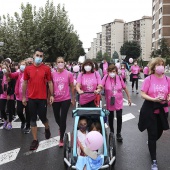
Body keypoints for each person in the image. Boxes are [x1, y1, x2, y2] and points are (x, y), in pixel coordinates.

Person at [138, 57, 170, 170]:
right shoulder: (149, 79)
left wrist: (168, 98)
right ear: (153, 67)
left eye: (162, 64)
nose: (161, 66)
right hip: (150, 111)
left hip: (163, 110)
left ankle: (151, 142)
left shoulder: (167, 79)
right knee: (152, 135)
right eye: (158, 65)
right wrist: (153, 99)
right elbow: (143, 94)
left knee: (159, 133)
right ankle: (154, 161)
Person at [22, 48, 54, 150]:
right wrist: (23, 97)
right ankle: (35, 140)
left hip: (42, 99)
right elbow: (25, 82)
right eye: (37, 55)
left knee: (43, 117)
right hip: (31, 98)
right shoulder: (28, 69)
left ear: (43, 57)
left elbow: (49, 82)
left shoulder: (46, 69)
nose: (39, 57)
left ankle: (47, 127)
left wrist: (52, 95)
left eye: (41, 56)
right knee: (32, 119)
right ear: (34, 56)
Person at [102, 64, 131, 141]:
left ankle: (118, 134)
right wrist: (98, 89)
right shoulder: (105, 78)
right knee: (110, 117)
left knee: (119, 117)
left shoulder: (119, 78)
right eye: (110, 71)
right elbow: (101, 86)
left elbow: (125, 88)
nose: (112, 73)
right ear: (108, 72)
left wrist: (129, 98)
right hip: (109, 101)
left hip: (118, 100)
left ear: (116, 72)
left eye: (114, 71)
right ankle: (112, 132)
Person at [51, 57, 75, 147]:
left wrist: (73, 98)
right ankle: (61, 128)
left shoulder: (69, 74)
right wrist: (50, 96)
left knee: (63, 118)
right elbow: (50, 86)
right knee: (57, 117)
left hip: (66, 99)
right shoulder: (52, 74)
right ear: (56, 63)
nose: (60, 63)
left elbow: (72, 86)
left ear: (64, 63)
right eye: (58, 62)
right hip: (56, 99)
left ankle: (61, 138)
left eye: (62, 62)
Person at [7, 60, 31, 133]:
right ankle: (23, 121)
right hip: (19, 96)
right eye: (21, 64)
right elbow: (11, 75)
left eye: (24, 64)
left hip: (28, 96)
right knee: (19, 111)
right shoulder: (18, 73)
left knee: (28, 112)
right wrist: (8, 71)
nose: (22, 66)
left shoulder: (29, 74)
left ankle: (28, 126)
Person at [0, 64, 15, 130]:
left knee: (10, 109)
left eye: (5, 68)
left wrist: (9, 94)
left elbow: (13, 87)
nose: (4, 69)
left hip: (10, 95)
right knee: (2, 109)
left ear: (8, 68)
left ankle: (10, 122)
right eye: (2, 68)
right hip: (3, 94)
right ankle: (5, 120)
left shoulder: (11, 76)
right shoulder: (1, 75)